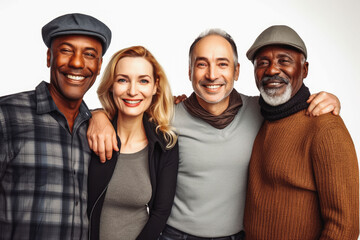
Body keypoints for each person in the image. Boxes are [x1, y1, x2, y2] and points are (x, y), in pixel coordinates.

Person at [87, 29, 341, 239]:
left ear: (237, 72)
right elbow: (128, 105)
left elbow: (290, 103)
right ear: (189, 72)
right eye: (202, 65)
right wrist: (98, 116)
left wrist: (326, 98)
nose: (212, 75)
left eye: (222, 64)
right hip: (175, 235)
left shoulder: (260, 111)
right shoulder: (167, 117)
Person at [0, 13, 111, 239]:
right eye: (66, 50)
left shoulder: (96, 129)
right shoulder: (6, 115)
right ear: (49, 57)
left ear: (99, 66)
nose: (77, 63)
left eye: (89, 54)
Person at [243, 25, 359, 240]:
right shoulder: (256, 115)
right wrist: (180, 103)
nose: (272, 70)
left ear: (304, 70)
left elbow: (345, 227)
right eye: (262, 63)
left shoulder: (325, 127)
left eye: (284, 61)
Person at [87, 46, 179, 240]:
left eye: (143, 81)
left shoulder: (165, 144)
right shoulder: (92, 133)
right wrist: (96, 114)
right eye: (122, 80)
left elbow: (160, 213)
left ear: (155, 86)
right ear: (111, 85)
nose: (132, 91)